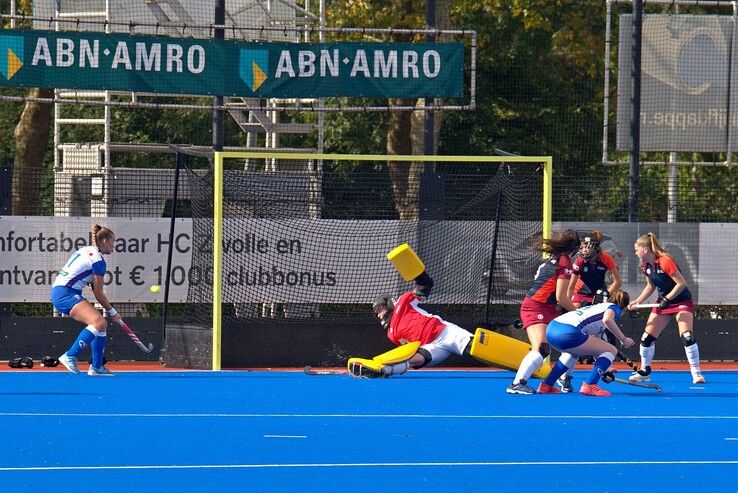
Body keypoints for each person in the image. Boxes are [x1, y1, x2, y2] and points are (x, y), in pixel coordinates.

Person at [627, 232, 705, 384]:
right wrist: (638, 301)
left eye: (636, 249)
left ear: (645, 249)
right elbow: (650, 286)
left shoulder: (665, 260)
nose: (635, 252)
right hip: (663, 302)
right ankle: (644, 372)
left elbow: (681, 284)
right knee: (646, 339)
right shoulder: (646, 266)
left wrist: (668, 298)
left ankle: (696, 372)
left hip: (681, 300)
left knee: (687, 335)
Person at [507, 229, 579, 395]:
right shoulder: (564, 264)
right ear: (573, 248)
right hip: (536, 308)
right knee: (541, 349)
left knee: (572, 346)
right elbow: (561, 297)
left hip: (547, 309)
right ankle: (517, 383)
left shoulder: (553, 260)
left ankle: (562, 377)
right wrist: (578, 313)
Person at [368, 270, 473, 376]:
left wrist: (418, 274)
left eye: (379, 310)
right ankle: (383, 370)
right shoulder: (391, 334)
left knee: (474, 346)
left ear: (389, 304)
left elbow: (425, 286)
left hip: (446, 333)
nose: (379, 315)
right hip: (431, 347)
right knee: (415, 359)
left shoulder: (403, 302)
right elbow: (408, 349)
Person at [536, 290, 635, 396]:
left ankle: (547, 385)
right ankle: (591, 385)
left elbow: (597, 349)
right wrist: (624, 339)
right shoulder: (615, 308)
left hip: (552, 329)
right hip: (568, 331)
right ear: (624, 307)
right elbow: (608, 320)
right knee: (612, 350)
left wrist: (604, 370)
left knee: (574, 353)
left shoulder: (598, 308)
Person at [51, 224, 119, 376]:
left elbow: (83, 276)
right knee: (100, 322)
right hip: (66, 294)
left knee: (100, 325)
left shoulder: (87, 250)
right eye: (113, 242)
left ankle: (97, 367)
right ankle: (70, 355)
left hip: (61, 291)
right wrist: (113, 312)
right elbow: (99, 294)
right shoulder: (98, 261)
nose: (114, 246)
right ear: (105, 241)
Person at [563, 231, 622, 385]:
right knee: (578, 333)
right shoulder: (579, 262)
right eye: (582, 247)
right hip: (581, 295)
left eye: (587, 247)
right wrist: (569, 305)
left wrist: (607, 293)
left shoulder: (605, 258)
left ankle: (602, 367)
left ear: (595, 249)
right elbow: (570, 286)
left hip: (599, 296)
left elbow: (618, 281)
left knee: (598, 334)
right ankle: (566, 376)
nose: (583, 250)